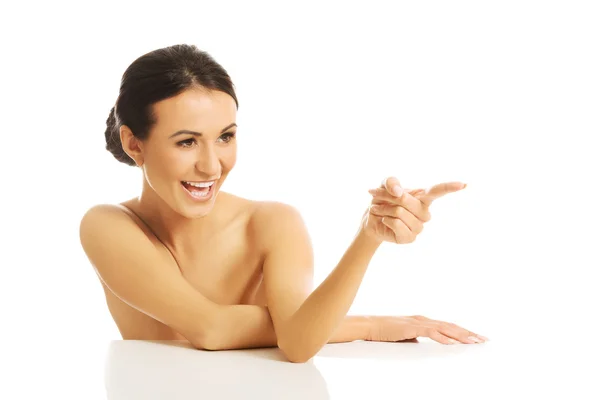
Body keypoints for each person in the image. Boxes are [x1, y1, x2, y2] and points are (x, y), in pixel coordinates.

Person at [79, 44, 488, 364]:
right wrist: (370, 324)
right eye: (186, 142)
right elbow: (212, 330)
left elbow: (298, 346)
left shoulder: (272, 222)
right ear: (135, 144)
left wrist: (369, 236)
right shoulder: (109, 225)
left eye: (225, 137)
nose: (211, 165)